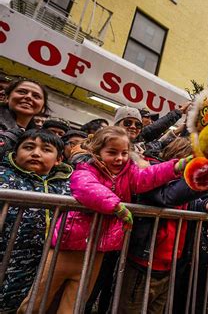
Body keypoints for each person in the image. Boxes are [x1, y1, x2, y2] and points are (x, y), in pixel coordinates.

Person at [18, 126, 189, 313]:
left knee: (73, 305)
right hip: (65, 247)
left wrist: (175, 167)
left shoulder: (129, 173)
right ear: (97, 152)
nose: (120, 158)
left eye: (124, 153)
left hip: (96, 252)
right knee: (38, 301)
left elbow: (148, 176)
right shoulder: (86, 169)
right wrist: (116, 206)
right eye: (112, 152)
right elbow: (86, 187)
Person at [118, 137, 208, 314]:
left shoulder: (183, 185)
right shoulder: (150, 173)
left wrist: (206, 204)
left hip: (169, 267)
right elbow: (168, 197)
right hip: (143, 263)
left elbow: (191, 203)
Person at [0, 129, 72, 313]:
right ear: (15, 153)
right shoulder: (4, 176)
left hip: (39, 266)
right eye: (29, 147)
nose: (36, 153)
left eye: (46, 149)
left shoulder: (66, 186)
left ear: (58, 160)